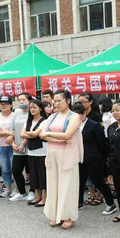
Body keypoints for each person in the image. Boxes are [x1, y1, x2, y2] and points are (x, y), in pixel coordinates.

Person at [40, 89, 83, 229]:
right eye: (55, 101)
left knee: (68, 185)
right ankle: (55, 215)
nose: (56, 103)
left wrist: (49, 135)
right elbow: (42, 134)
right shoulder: (52, 116)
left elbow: (67, 135)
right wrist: (59, 139)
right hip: (52, 153)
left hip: (67, 155)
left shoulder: (74, 116)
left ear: (68, 101)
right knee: (53, 185)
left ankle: (68, 216)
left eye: (59, 101)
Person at [73, 102, 117, 213]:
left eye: (78, 115)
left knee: (98, 182)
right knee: (79, 181)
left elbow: (102, 143)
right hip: (79, 158)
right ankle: (79, 202)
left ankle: (110, 204)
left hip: (94, 159)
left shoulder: (94, 125)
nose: (76, 117)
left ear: (84, 113)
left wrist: (102, 158)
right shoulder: (73, 125)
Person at [20, 99, 48, 206]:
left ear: (40, 109)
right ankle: (38, 196)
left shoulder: (44, 121)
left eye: (34, 107)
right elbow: (21, 134)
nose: (32, 109)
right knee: (34, 176)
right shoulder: (28, 121)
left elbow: (36, 134)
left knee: (43, 176)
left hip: (42, 152)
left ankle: (45, 198)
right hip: (31, 152)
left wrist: (30, 134)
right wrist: (31, 134)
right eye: (30, 108)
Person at [9, 93, 34, 202]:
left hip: (30, 147)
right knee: (16, 170)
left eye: (23, 99)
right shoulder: (17, 112)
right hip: (17, 148)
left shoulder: (32, 113)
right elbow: (12, 130)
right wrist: (13, 143)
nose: (21, 102)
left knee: (32, 171)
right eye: (19, 100)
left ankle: (33, 191)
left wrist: (23, 144)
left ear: (29, 101)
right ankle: (22, 192)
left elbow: (31, 130)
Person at [0, 95, 15, 198]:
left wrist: (11, 136)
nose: (3, 106)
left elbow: (19, 130)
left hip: (14, 146)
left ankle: (17, 189)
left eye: (6, 104)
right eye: (1, 104)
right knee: (5, 169)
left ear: (11, 105)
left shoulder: (15, 116)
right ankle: (7, 189)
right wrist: (8, 133)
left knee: (15, 168)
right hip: (0, 146)